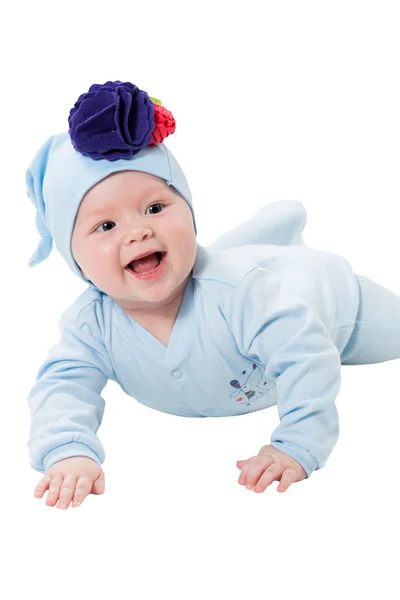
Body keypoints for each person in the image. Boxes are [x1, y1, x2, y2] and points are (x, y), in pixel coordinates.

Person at [26, 80, 400, 510]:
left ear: (188, 210)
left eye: (155, 208)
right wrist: (68, 451)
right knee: (234, 260)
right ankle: (277, 225)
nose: (138, 231)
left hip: (334, 305)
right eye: (105, 227)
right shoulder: (90, 325)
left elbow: (307, 356)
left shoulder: (240, 295)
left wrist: (298, 445)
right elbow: (61, 385)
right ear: (75, 260)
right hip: (247, 274)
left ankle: (283, 232)